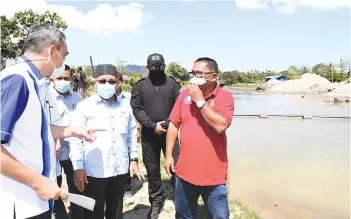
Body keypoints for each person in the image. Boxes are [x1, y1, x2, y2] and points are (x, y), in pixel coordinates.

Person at [0, 23, 102, 219]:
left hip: (34, 200)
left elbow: (31, 130)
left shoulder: (34, 81)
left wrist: (71, 130)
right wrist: (38, 182)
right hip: (20, 203)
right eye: (64, 55)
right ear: (52, 51)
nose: (64, 61)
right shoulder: (17, 80)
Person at [69, 64, 145, 219]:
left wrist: (134, 159)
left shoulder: (125, 106)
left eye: (111, 81)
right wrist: (78, 168)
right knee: (93, 211)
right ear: (95, 83)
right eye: (102, 81)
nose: (107, 85)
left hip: (119, 168)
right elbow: (75, 140)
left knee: (116, 209)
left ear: (117, 82)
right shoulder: (84, 107)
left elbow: (131, 134)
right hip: (94, 170)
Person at [164, 57, 235, 219]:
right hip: (185, 171)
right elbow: (174, 124)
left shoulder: (225, 97)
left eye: (199, 73)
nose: (194, 77)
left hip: (213, 174)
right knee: (183, 215)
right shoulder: (184, 95)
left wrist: (200, 102)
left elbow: (220, 126)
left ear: (214, 76)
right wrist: (168, 155)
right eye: (192, 72)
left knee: (220, 216)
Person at [130, 53, 181, 219]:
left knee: (176, 167)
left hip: (170, 133)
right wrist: (152, 126)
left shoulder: (172, 84)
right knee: (152, 171)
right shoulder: (140, 86)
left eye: (160, 66)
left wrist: (165, 124)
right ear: (147, 68)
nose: (157, 69)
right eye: (153, 66)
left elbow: (178, 107)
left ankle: (179, 199)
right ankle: (156, 202)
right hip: (149, 135)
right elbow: (137, 109)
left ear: (164, 66)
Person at [50, 65, 83, 219]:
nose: (63, 81)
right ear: (53, 79)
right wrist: (57, 140)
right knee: (54, 183)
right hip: (53, 149)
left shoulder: (76, 97)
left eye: (66, 78)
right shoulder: (46, 96)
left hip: (72, 149)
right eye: (59, 78)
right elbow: (48, 122)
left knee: (74, 183)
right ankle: (60, 214)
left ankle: (76, 213)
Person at [115, 73, 141, 205]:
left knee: (127, 162)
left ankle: (127, 189)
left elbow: (135, 113)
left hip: (127, 133)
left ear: (120, 82)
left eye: (116, 81)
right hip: (113, 136)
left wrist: (137, 128)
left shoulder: (128, 97)